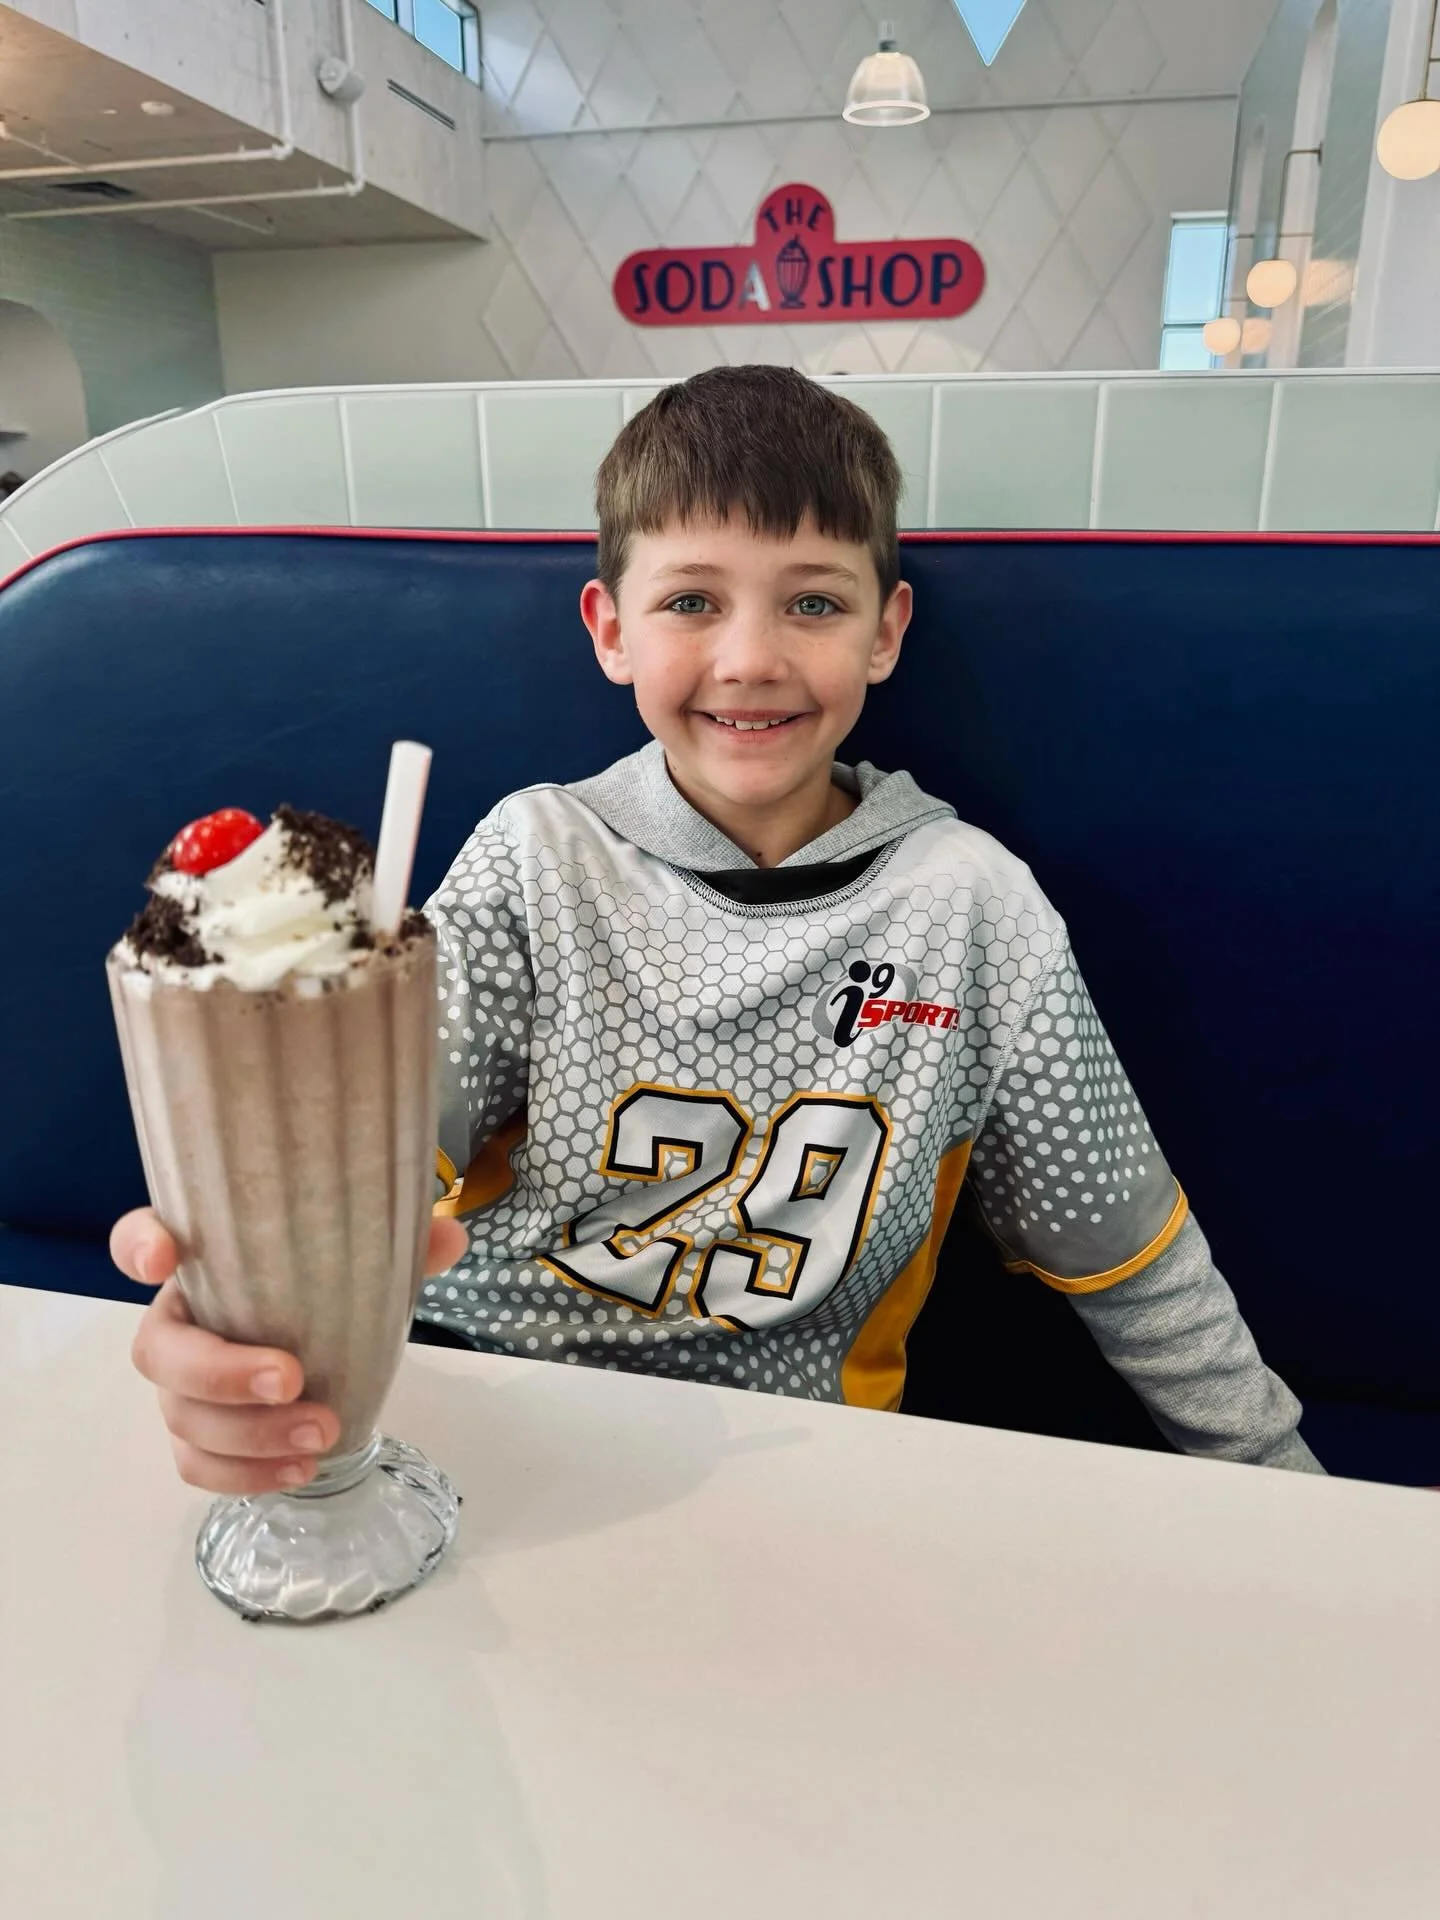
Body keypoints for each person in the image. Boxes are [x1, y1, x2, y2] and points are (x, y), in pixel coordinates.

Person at [112, 366, 1324, 1493]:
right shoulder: (536, 859)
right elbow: (351, 1172)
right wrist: (244, 1305)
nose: (751, 659)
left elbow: (1133, 1260)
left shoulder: (975, 908)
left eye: (813, 601)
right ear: (610, 628)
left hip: (807, 1474)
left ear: (886, 631)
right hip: (478, 1427)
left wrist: (1295, 1496)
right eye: (691, 600)